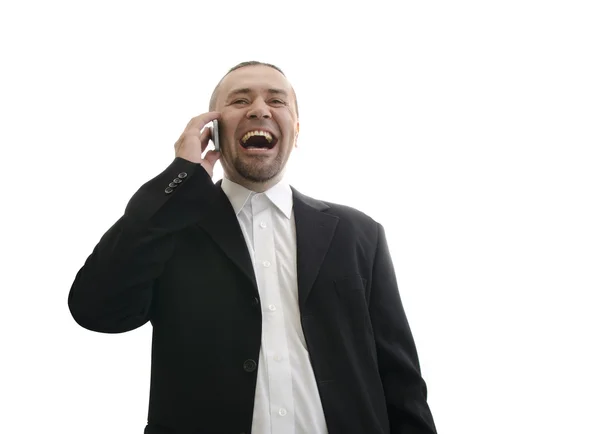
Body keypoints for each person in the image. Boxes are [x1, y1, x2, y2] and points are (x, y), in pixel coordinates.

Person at [68, 61, 437, 434]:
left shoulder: (359, 233)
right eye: (239, 100)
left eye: (276, 100)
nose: (259, 109)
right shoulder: (171, 228)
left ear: (296, 129)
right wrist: (179, 176)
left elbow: (402, 383)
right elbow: (96, 309)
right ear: (212, 130)